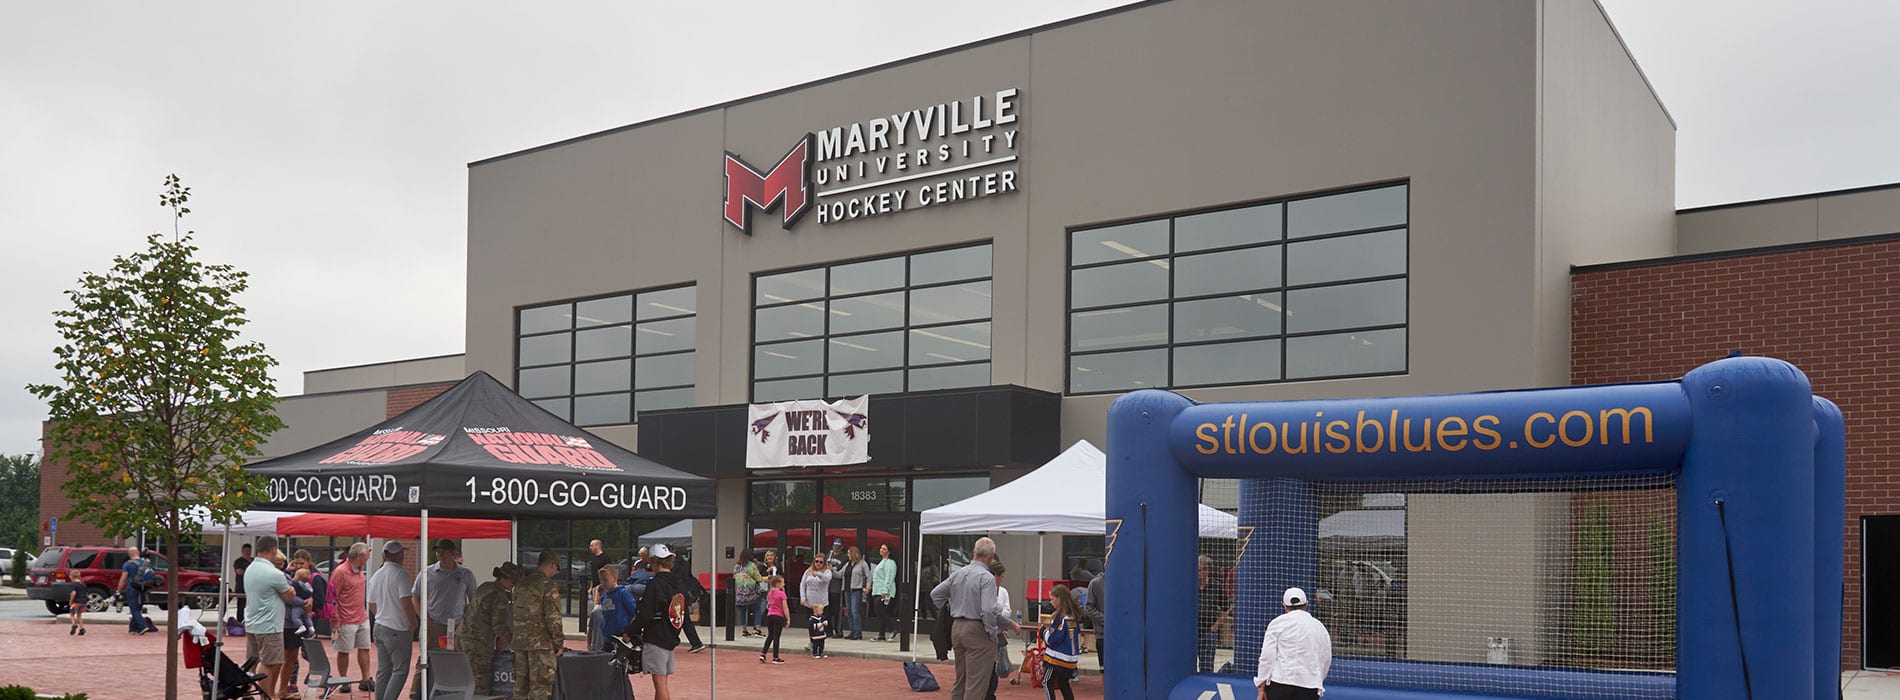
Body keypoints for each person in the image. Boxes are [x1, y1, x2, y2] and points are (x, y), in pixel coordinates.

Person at [930, 536, 1018, 700]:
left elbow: (935, 594)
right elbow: (988, 609)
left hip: (957, 626)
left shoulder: (958, 573)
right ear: (992, 556)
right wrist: (992, 632)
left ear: (973, 553)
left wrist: (948, 605)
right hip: (977, 630)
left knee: (960, 680)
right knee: (976, 684)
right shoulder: (986, 578)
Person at [412, 539, 477, 699]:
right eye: (438, 551)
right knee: (426, 659)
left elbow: (473, 599)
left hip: (456, 626)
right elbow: (415, 595)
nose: (440, 555)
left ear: (453, 554)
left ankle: (451, 692)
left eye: (444, 552)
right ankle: (416, 694)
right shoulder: (427, 572)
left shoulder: (465, 574)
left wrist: (467, 620)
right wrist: (424, 618)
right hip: (433, 624)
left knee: (455, 659)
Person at [241, 536, 297, 700]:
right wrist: (291, 591)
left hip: (252, 621)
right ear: (274, 550)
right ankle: (266, 696)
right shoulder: (274, 573)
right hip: (269, 625)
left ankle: (246, 691)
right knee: (269, 663)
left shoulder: (250, 568)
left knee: (252, 661)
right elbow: (288, 596)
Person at [1254, 587, 1332, 700]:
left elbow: (1267, 657)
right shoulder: (1319, 627)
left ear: (1284, 605)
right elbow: (1325, 658)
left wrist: (1261, 685)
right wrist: (1317, 678)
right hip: (1308, 685)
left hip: (1280, 682)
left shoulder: (1277, 623)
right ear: (1306, 604)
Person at [457, 562, 521, 696]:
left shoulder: (485, 586)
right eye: (514, 582)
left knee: (465, 682)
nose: (514, 585)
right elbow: (499, 626)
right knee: (480, 684)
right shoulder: (499, 596)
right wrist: (516, 641)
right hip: (478, 644)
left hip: (462, 637)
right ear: (506, 579)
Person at [633, 543, 687, 700]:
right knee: (663, 682)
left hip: (656, 637)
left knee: (660, 683)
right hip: (671, 635)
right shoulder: (678, 583)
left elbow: (646, 614)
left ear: (654, 562)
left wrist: (630, 631)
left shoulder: (655, 584)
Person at [366, 540, 417, 700]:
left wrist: (382, 613)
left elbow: (371, 604)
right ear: (399, 555)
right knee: (400, 670)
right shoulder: (400, 574)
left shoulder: (377, 574)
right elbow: (406, 601)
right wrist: (413, 622)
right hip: (397, 628)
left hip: (380, 625)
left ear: (384, 555)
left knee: (384, 670)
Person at [512, 551, 563, 700]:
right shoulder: (548, 585)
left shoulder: (521, 584)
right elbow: (553, 617)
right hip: (541, 646)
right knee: (540, 689)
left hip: (520, 644)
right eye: (556, 568)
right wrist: (558, 642)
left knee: (520, 689)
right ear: (552, 564)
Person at [330, 542, 374, 695]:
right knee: (344, 650)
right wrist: (335, 618)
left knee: (365, 647)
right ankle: (344, 681)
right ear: (360, 556)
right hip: (345, 618)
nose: (368, 558)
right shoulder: (341, 572)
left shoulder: (360, 570)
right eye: (367, 556)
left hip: (362, 616)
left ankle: (365, 679)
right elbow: (332, 596)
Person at [1040, 584, 1084, 700]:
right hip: (1071, 658)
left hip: (1057, 658)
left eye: (1052, 599)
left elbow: (1053, 639)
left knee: (1046, 682)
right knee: (1064, 684)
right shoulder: (1073, 616)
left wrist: (1043, 632)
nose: (1050, 602)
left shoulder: (1060, 617)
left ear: (1059, 599)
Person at [1198, 555, 1233, 674]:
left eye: (1199, 570)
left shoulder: (1216, 586)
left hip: (1208, 632)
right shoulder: (1190, 585)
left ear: (1207, 570)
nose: (1197, 573)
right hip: (1190, 633)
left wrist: (1216, 626)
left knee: (1206, 666)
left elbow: (1226, 608)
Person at [669, 552, 707, 653]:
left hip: (677, 593)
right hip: (685, 593)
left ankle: (694, 642)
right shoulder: (684, 563)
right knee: (684, 619)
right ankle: (695, 642)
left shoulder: (673, 566)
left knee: (679, 619)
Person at [591, 563, 635, 652]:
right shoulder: (604, 597)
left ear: (615, 578)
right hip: (608, 636)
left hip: (621, 636)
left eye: (605, 580)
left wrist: (629, 632)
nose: (603, 583)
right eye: (601, 580)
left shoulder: (623, 594)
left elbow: (633, 613)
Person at [986, 560, 1013, 700]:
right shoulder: (985, 590)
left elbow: (1007, 610)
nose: (1002, 579)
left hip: (997, 632)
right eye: (1001, 576)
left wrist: (1003, 622)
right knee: (987, 670)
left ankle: (990, 694)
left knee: (994, 667)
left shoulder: (1003, 591)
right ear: (995, 576)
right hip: (986, 634)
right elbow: (990, 612)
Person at [118, 547, 156, 635]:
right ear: (138, 552)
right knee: (138, 608)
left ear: (129, 554)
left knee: (134, 609)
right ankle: (133, 629)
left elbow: (123, 578)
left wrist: (119, 590)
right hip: (144, 588)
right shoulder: (147, 563)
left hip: (132, 588)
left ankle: (143, 626)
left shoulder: (128, 564)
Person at [799, 554, 832, 651]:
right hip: (810, 603)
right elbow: (802, 585)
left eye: (821, 562)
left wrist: (818, 574)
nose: (818, 564)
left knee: (820, 625)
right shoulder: (808, 571)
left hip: (821, 603)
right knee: (811, 624)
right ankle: (812, 642)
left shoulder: (827, 572)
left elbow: (826, 579)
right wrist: (803, 597)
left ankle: (819, 644)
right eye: (817, 561)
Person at [841, 546, 871, 641]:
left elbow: (868, 576)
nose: (848, 555)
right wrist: (831, 570)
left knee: (855, 611)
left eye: (849, 553)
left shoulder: (862, 564)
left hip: (856, 589)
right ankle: (852, 631)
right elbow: (840, 573)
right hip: (847, 589)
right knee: (849, 611)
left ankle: (858, 632)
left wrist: (868, 587)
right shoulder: (847, 564)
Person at [757, 575, 788, 664]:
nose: (784, 584)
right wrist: (788, 618)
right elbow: (785, 608)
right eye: (782, 583)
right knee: (776, 637)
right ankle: (775, 656)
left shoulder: (770, 593)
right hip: (778, 616)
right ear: (778, 584)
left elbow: (769, 603)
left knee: (770, 635)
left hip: (770, 615)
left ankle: (763, 653)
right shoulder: (782, 594)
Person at [871, 543, 898, 642]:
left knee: (881, 612)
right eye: (881, 548)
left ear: (888, 551)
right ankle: (881, 634)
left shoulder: (890, 563)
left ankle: (892, 629)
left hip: (884, 591)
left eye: (884, 549)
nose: (881, 550)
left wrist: (885, 590)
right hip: (877, 590)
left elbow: (889, 577)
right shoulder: (882, 562)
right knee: (880, 612)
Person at [733, 549, 763, 637]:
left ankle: (744, 630)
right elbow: (758, 578)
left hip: (739, 590)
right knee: (757, 608)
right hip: (751, 590)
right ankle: (757, 628)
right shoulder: (752, 565)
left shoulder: (737, 566)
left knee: (742, 610)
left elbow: (734, 576)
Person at [583, 539, 609, 634]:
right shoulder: (593, 559)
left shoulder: (605, 558)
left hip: (602, 587)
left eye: (591, 545)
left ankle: (602, 626)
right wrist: (591, 587)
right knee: (595, 607)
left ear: (597, 546)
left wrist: (604, 586)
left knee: (601, 607)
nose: (590, 548)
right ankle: (594, 627)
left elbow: (607, 573)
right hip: (595, 587)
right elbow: (593, 574)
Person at [1085, 571, 1106, 668]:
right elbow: (1089, 608)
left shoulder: (1124, 582)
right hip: (1102, 634)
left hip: (1122, 634)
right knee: (1104, 669)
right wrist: (1106, 620)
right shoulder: (1096, 583)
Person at [757, 550, 781, 633]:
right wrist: (767, 572)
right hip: (766, 590)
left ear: (775, 557)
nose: (770, 557)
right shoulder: (763, 566)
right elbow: (759, 576)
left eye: (771, 555)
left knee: (774, 608)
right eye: (768, 555)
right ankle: (757, 626)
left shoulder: (778, 566)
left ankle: (774, 625)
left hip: (775, 590)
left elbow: (781, 576)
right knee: (763, 607)